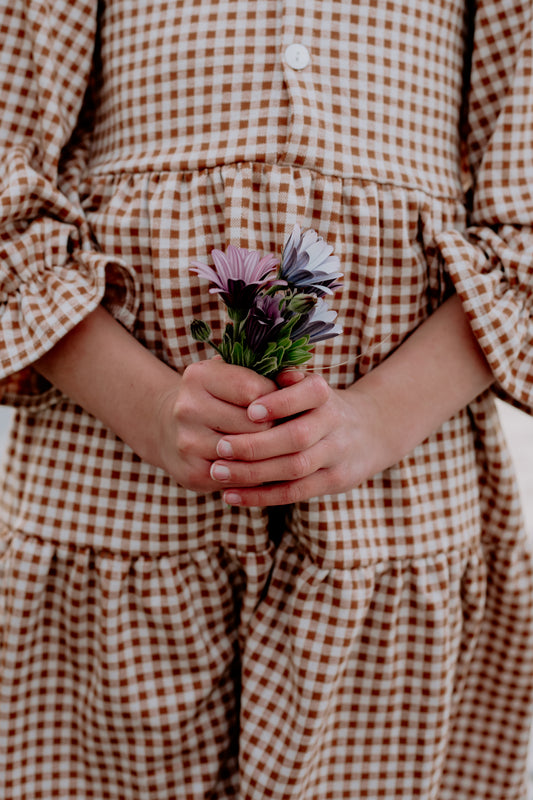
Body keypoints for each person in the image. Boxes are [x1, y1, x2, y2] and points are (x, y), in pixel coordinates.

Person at [1, 0, 532, 797]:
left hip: (391, 512)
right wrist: (149, 408)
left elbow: (521, 228)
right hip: (108, 491)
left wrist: (377, 419)